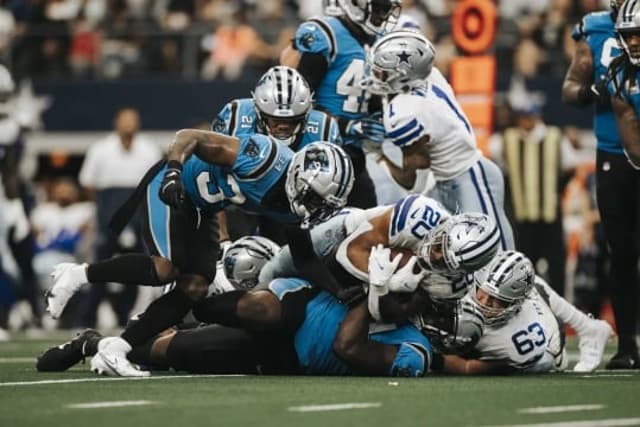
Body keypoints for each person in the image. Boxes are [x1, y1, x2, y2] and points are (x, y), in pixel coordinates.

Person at [46, 134, 354, 377]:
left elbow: (305, 258)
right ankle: (76, 274)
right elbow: (187, 136)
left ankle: (117, 347)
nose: (314, 208)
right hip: (172, 188)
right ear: (300, 174)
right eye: (313, 197)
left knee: (194, 287)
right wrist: (173, 172)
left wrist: (340, 291)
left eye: (322, 203)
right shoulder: (264, 158)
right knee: (165, 270)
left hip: (202, 209)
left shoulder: (293, 206)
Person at [362, 30, 515, 251]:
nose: (375, 75)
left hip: (468, 179)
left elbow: (410, 180)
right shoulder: (429, 75)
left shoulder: (404, 112)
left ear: (404, 75)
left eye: (382, 72)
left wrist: (377, 153)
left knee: (494, 258)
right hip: (450, 181)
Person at [562, 0, 637, 369]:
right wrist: (596, 91)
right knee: (621, 253)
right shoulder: (594, 28)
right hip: (614, 153)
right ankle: (628, 345)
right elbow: (570, 89)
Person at [281, 0, 402, 209]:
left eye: (387, 10)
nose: (384, 16)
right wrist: (346, 125)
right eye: (380, 8)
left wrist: (379, 118)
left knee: (366, 225)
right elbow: (298, 101)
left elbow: (374, 101)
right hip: (317, 151)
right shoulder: (328, 34)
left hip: (353, 154)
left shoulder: (379, 42)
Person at [211, 65, 342, 243]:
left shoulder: (324, 129)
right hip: (239, 204)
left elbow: (330, 197)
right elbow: (207, 177)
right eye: (275, 120)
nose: (283, 127)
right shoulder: (235, 118)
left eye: (291, 121)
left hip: (288, 208)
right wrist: (222, 238)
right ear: (259, 113)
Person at [77, 107, 162, 328]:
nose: (128, 125)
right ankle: (88, 315)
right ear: (116, 123)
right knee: (102, 262)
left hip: (137, 209)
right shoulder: (101, 148)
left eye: (132, 121)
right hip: (109, 211)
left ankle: (127, 312)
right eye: (124, 121)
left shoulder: (149, 149)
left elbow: (154, 184)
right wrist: (105, 209)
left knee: (138, 263)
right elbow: (88, 182)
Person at [596, 0, 640, 369]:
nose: (635, 43)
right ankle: (628, 343)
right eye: (629, 36)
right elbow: (635, 146)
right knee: (622, 253)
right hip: (629, 164)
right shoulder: (619, 74)